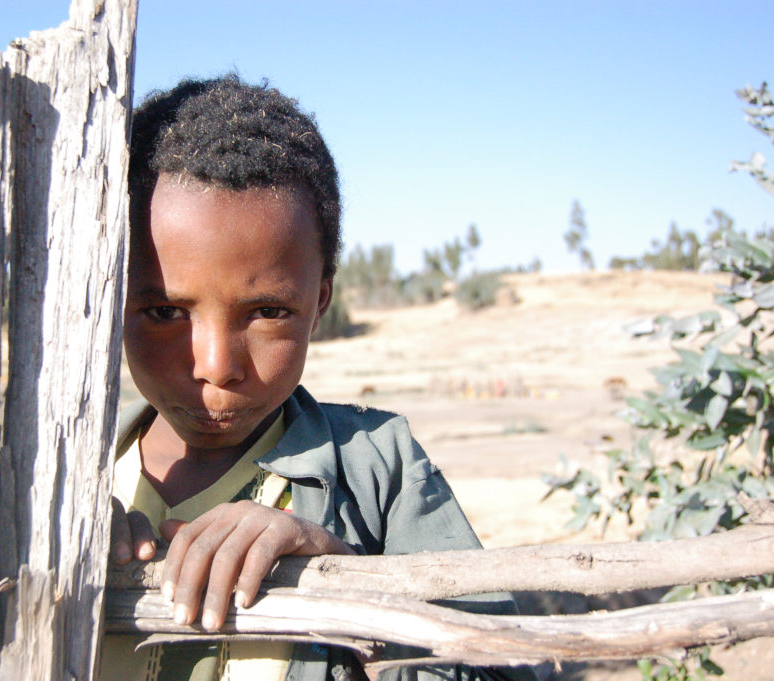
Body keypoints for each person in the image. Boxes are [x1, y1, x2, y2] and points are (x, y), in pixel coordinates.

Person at [107, 74, 536, 681]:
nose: (214, 365)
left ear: (320, 302)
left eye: (267, 313)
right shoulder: (63, 478)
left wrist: (342, 573)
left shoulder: (380, 470)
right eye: (166, 313)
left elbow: (496, 662)